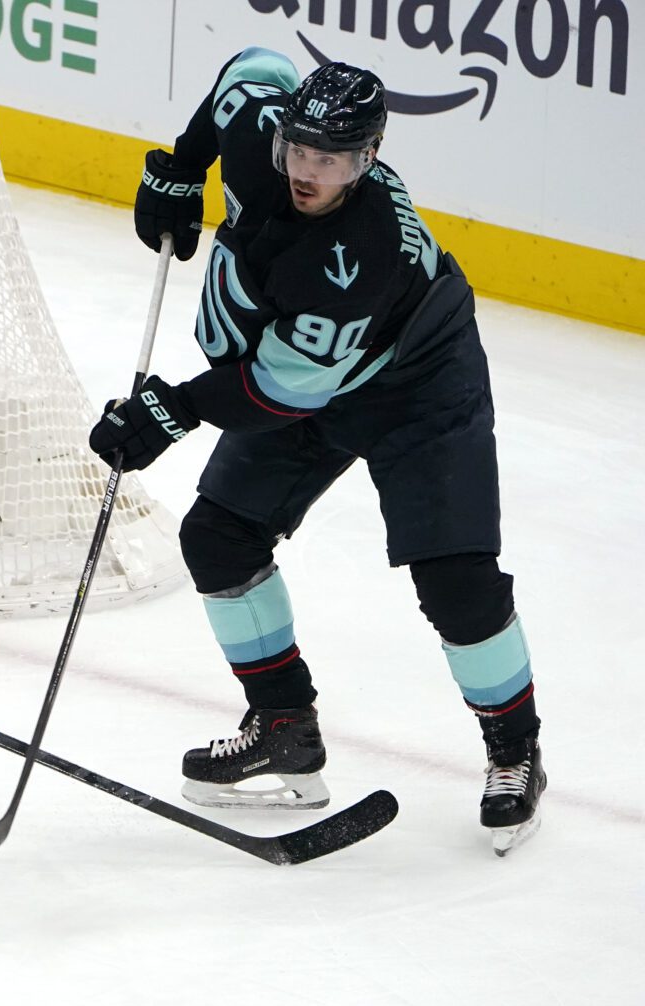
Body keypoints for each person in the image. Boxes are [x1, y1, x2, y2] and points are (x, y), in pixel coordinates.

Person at [89, 51, 544, 855]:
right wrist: (182, 167)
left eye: (331, 161)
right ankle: (284, 729)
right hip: (304, 369)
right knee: (218, 537)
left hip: (418, 384)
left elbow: (279, 392)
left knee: (456, 581)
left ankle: (516, 752)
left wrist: (175, 409)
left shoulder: (360, 256)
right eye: (301, 150)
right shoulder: (261, 130)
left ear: (368, 159)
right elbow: (246, 68)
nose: (308, 171)